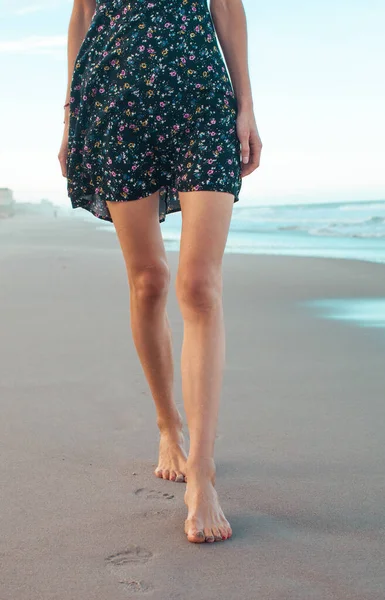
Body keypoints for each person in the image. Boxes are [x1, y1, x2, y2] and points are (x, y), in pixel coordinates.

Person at [58, 0, 262, 544]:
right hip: (115, 100)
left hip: (200, 95)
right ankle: (168, 423)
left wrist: (246, 104)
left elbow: (227, 6)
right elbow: (82, 15)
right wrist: (70, 117)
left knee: (199, 285)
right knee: (149, 279)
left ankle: (202, 470)